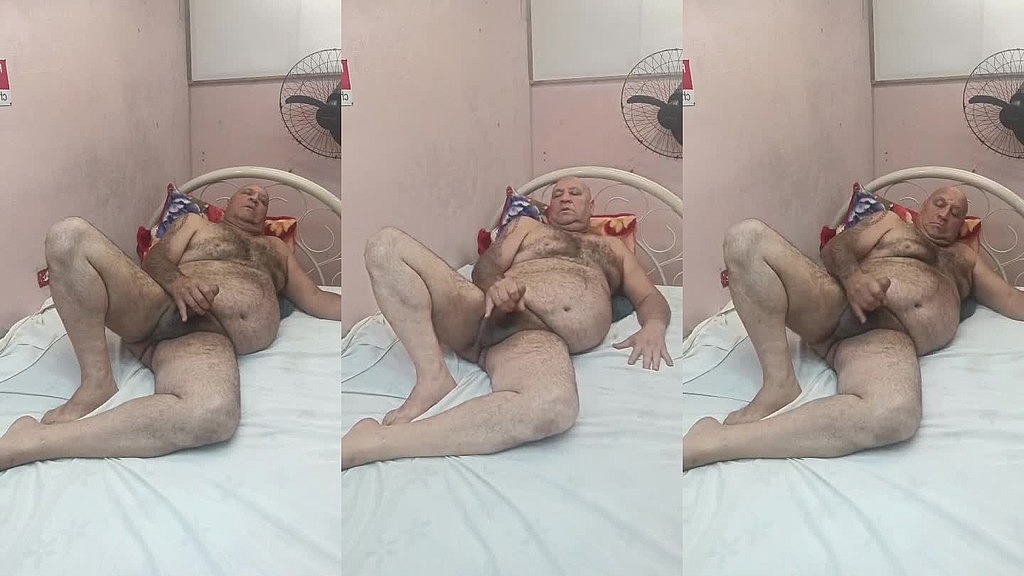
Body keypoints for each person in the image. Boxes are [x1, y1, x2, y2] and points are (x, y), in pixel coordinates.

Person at [0, 185, 341, 471]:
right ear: (227, 203)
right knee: (68, 234)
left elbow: (315, 298)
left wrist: (361, 308)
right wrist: (178, 282)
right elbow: (155, 259)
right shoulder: (197, 223)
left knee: (213, 414)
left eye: (263, 199)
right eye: (247, 193)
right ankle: (96, 382)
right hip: (159, 303)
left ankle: (34, 441)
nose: (255, 199)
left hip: (205, 339)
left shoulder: (277, 249)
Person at [342, 177, 673, 469]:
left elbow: (649, 297)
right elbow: (485, 267)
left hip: (532, 338)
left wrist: (654, 326)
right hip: (481, 311)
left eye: (575, 193)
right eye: (557, 194)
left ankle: (376, 443)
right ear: (548, 208)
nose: (565, 199)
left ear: (591, 206)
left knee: (553, 406)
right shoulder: (528, 227)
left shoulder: (613, 248)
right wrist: (496, 286)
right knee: (385, 244)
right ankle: (433, 377)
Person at [683, 186, 1024, 470]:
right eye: (940, 203)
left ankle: (716, 442)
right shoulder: (892, 224)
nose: (945, 214)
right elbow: (837, 248)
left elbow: (1012, 300)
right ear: (923, 206)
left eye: (956, 213)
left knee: (895, 415)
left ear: (963, 225)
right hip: (838, 302)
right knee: (745, 236)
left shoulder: (966, 259)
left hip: (885, 339)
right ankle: (779, 383)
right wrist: (854, 278)